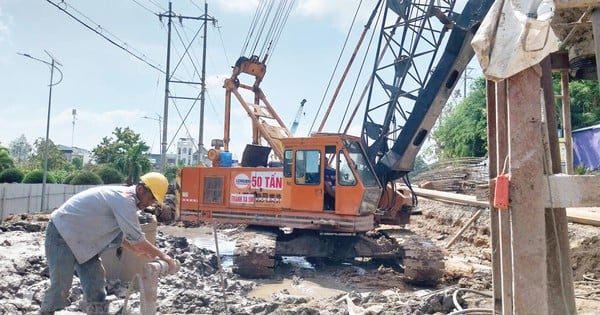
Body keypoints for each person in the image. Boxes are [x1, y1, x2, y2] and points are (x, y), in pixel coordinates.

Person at [39, 172, 178, 315]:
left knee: (96, 285)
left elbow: (117, 234)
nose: (150, 203)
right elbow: (138, 239)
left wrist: (133, 248)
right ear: (141, 189)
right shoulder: (124, 200)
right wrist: (164, 257)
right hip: (62, 233)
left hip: (85, 240)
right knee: (60, 287)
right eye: (151, 198)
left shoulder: (127, 202)